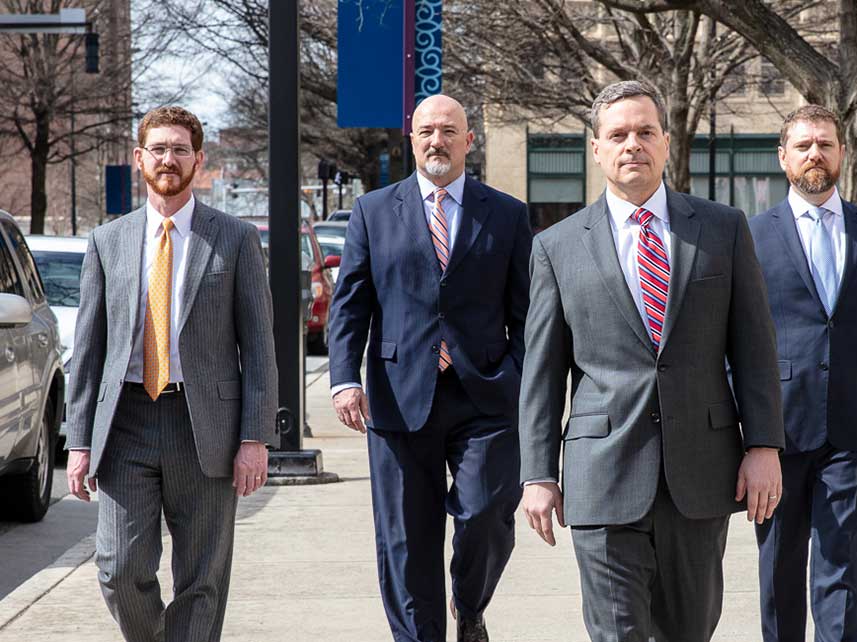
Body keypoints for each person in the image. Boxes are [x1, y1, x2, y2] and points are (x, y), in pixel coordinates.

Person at [519, 80, 785, 642]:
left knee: (689, 631)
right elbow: (541, 375)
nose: (632, 144)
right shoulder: (556, 246)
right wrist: (538, 473)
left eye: (645, 132)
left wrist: (763, 445)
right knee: (617, 633)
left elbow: (755, 348)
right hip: (601, 475)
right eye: (617, 134)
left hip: (701, 474)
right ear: (596, 149)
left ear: (666, 142)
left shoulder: (722, 229)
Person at [64, 106, 278, 642]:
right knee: (118, 569)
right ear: (139, 159)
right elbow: (88, 349)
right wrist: (79, 439)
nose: (169, 158)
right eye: (158, 149)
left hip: (204, 423)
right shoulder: (107, 242)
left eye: (180, 149)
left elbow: (258, 347)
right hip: (127, 423)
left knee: (202, 578)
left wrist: (255, 436)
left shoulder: (233, 238)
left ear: (199, 161)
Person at [327, 94, 532, 642]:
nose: (436, 140)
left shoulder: (508, 214)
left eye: (448, 131)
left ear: (469, 141)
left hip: (485, 396)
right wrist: (345, 378)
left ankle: (469, 606)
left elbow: (526, 313)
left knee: (486, 515)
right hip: (398, 397)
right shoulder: (374, 211)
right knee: (405, 539)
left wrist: (515, 376)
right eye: (426, 132)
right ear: (411, 140)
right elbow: (350, 302)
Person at [748, 105, 857, 642]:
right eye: (802, 146)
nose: (814, 154)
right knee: (778, 567)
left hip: (856, 423)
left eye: (824, 144)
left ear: (842, 153)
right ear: (783, 158)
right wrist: (748, 433)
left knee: (843, 567)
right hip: (778, 430)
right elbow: (737, 343)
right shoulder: (750, 236)